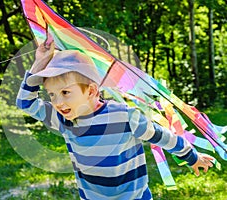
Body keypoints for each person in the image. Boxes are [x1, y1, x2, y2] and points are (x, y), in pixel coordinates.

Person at [16, 41, 214, 200]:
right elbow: (25, 102)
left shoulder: (125, 116)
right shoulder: (64, 120)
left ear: (92, 90)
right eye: (52, 95)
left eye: (65, 92)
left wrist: (192, 157)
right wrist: (40, 62)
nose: (58, 102)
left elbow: (165, 137)